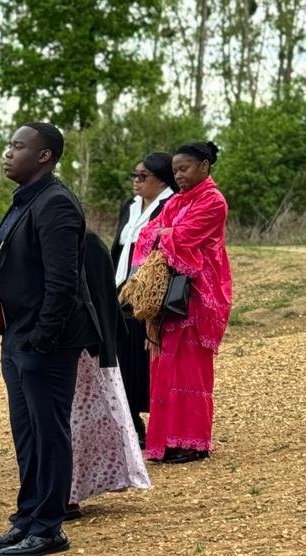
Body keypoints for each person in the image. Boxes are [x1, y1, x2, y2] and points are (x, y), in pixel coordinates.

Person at [0, 123, 100, 556]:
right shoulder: (22, 202)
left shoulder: (56, 204)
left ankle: (50, 527)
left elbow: (62, 283)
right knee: (27, 433)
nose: (7, 152)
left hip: (44, 341)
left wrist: (40, 339)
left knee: (50, 434)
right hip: (17, 337)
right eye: (8, 143)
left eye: (17, 146)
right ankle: (28, 517)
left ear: (45, 156)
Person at [131, 140, 233, 463]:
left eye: (184, 168)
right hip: (171, 295)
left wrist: (164, 234)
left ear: (204, 166)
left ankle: (193, 442)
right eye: (175, 170)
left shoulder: (214, 201)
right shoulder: (177, 201)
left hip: (198, 294)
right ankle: (167, 441)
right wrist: (164, 234)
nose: (179, 175)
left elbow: (182, 236)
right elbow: (147, 234)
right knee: (163, 366)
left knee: (190, 367)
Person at [70, 232, 151, 508]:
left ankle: (70, 494)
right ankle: (67, 491)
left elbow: (104, 300)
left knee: (84, 423)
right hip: (75, 350)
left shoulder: (88, 244)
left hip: (87, 350)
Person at [111, 153, 175, 445]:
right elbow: (119, 246)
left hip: (151, 291)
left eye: (142, 176)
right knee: (124, 358)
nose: (136, 182)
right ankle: (133, 424)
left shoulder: (171, 205)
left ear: (161, 179)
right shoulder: (130, 206)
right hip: (123, 288)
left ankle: (164, 425)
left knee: (148, 359)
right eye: (134, 176)